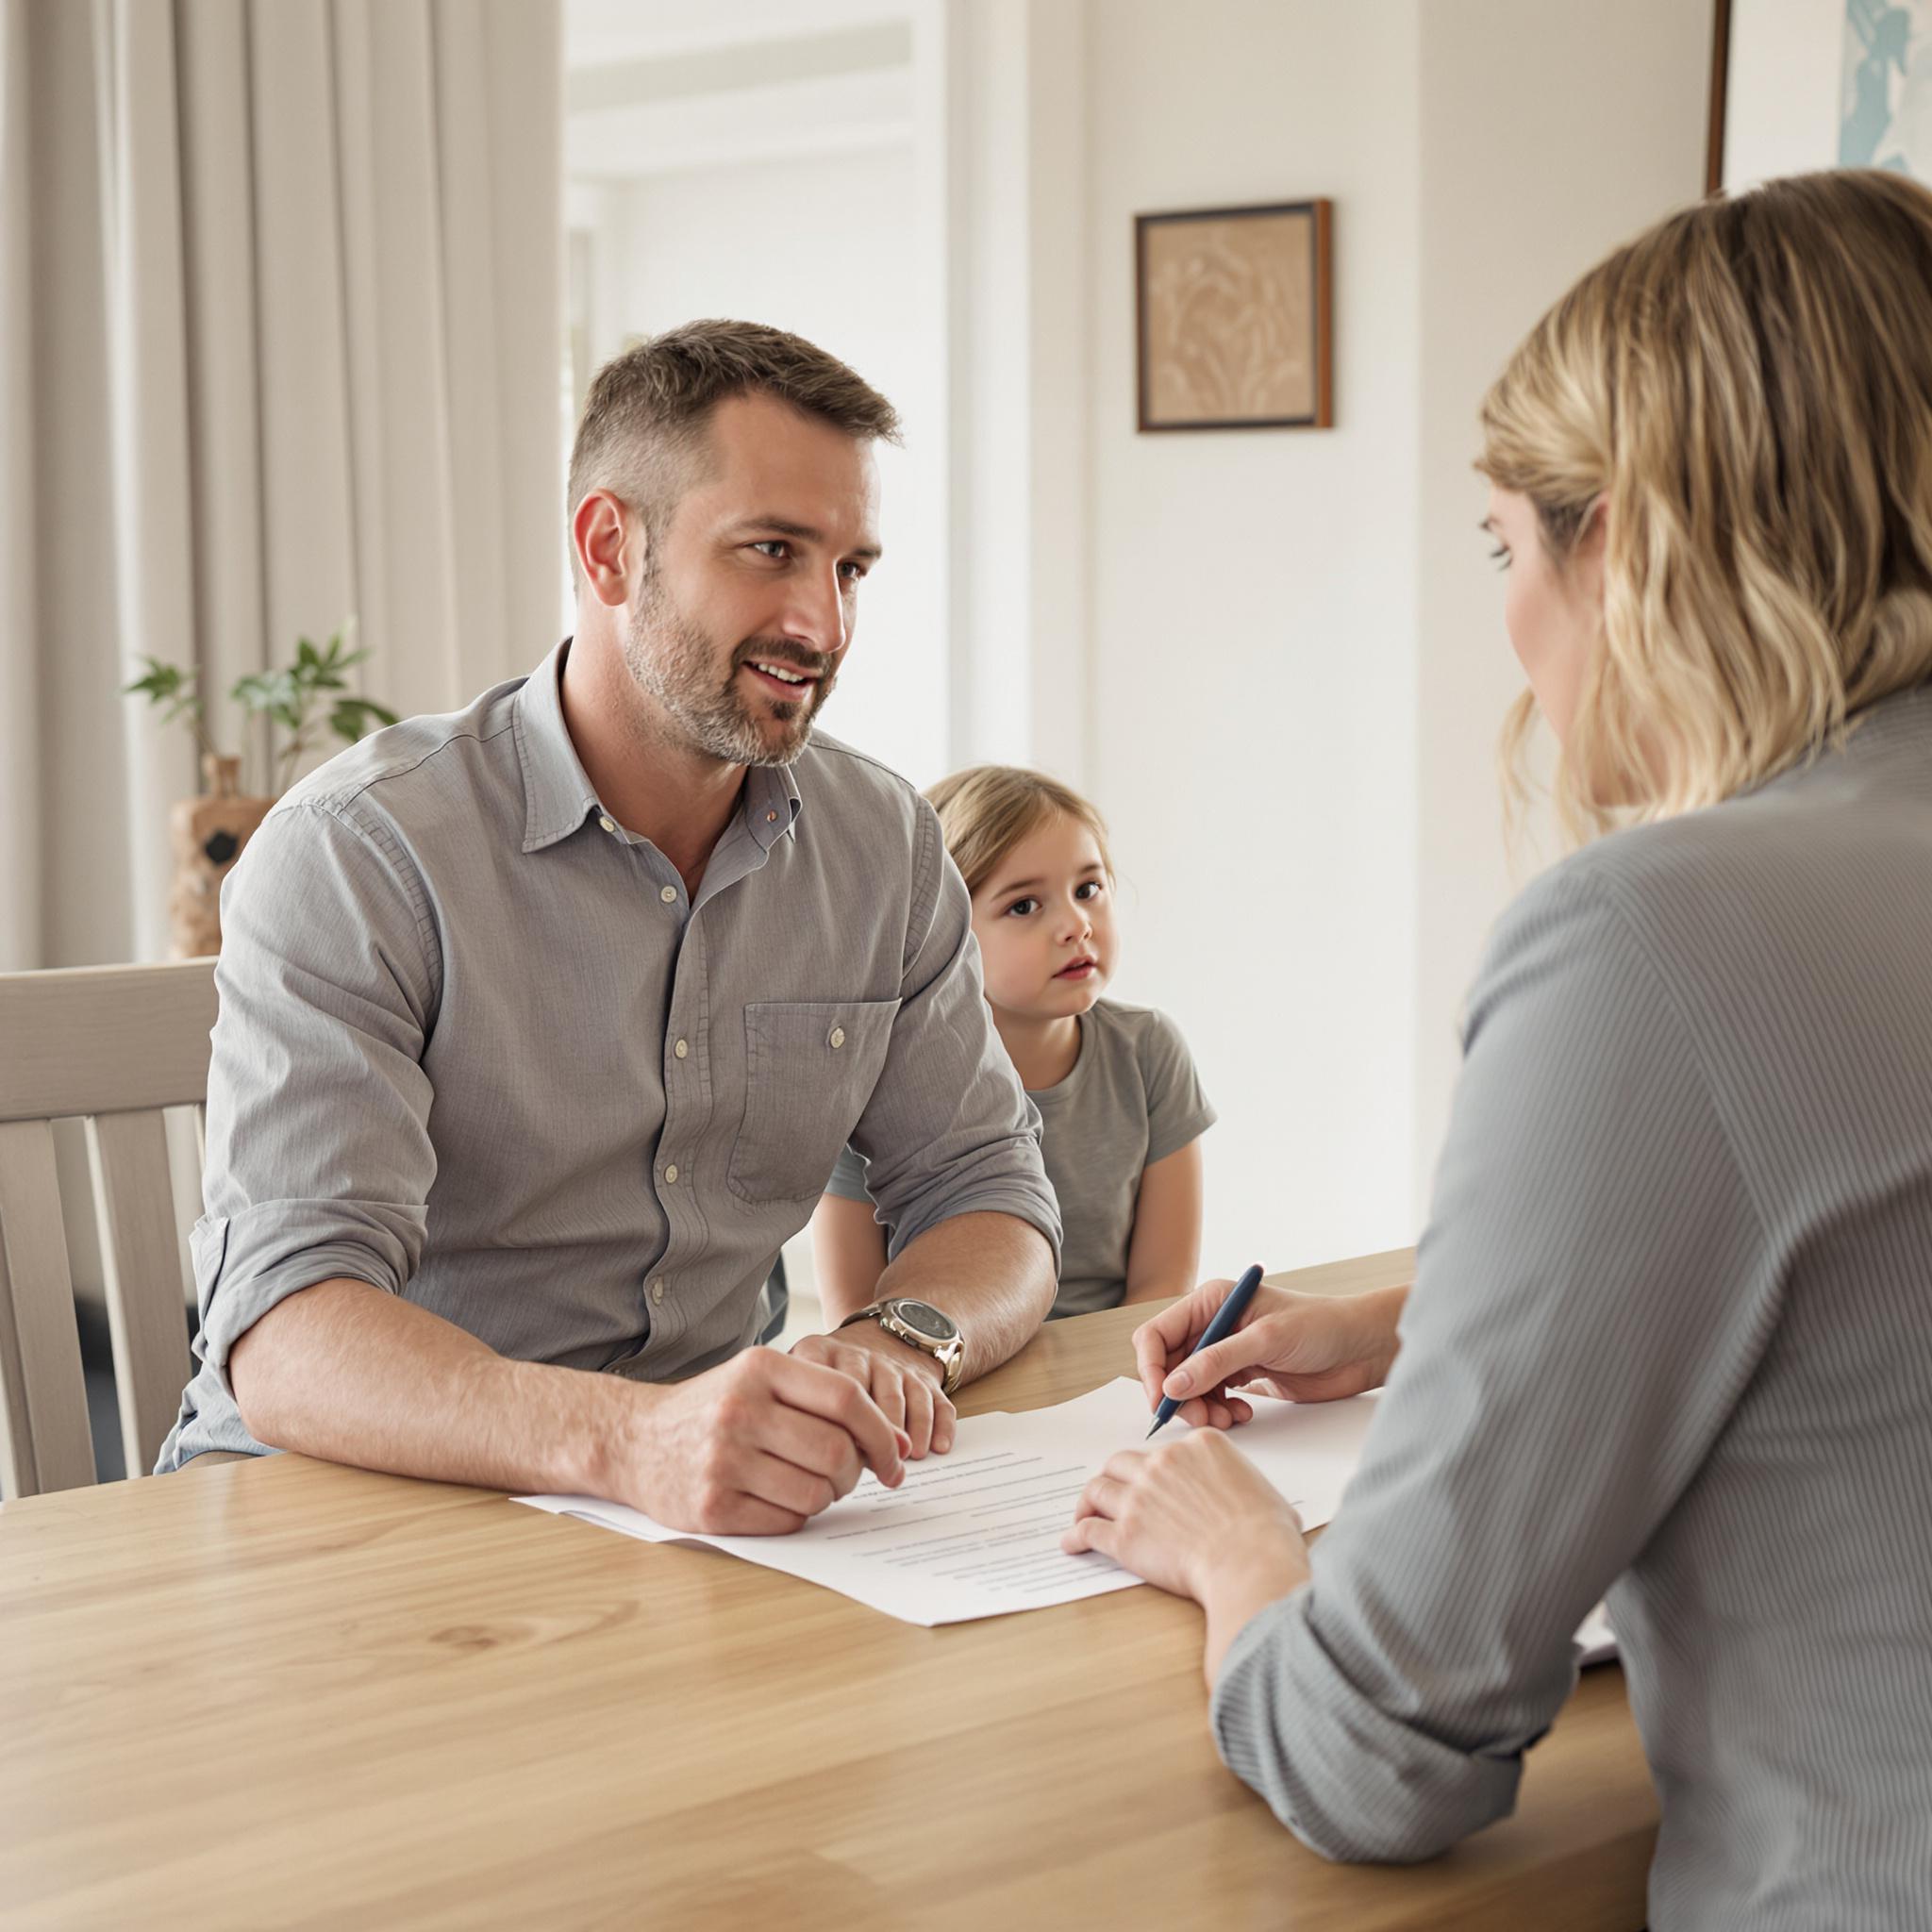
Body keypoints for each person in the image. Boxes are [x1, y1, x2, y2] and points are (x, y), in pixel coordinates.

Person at [1063, 170, 1932, 1924]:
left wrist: (1242, 1554)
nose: (1512, 634)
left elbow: (1378, 1748)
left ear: (1631, 541)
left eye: (1500, 548)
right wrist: (1415, 1322)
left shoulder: (1663, 930)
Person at [157, 321, 1064, 1533]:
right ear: (607, 545)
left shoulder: (880, 843)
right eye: (769, 551)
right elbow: (287, 1327)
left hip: (687, 1524)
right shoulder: (362, 851)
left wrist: (896, 1342)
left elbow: (988, 1186)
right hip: (334, 1512)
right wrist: (628, 1437)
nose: (822, 624)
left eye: (849, 568)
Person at [812, 766, 1214, 1322]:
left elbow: (1163, 1285)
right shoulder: (869, 1079)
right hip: (946, 1379)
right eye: (1024, 906)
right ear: (938, 930)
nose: (1077, 924)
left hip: (1116, 1371)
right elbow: (853, 1309)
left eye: (1088, 889)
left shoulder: (1150, 1053)